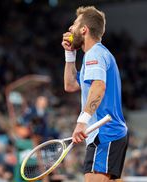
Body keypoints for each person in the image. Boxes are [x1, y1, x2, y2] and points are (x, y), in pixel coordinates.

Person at [61, 6, 128, 182]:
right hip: (110, 134)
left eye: (74, 25)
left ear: (84, 29)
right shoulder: (94, 55)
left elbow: (98, 86)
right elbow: (70, 85)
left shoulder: (95, 54)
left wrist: (82, 121)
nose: (70, 29)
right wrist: (70, 54)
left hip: (104, 134)